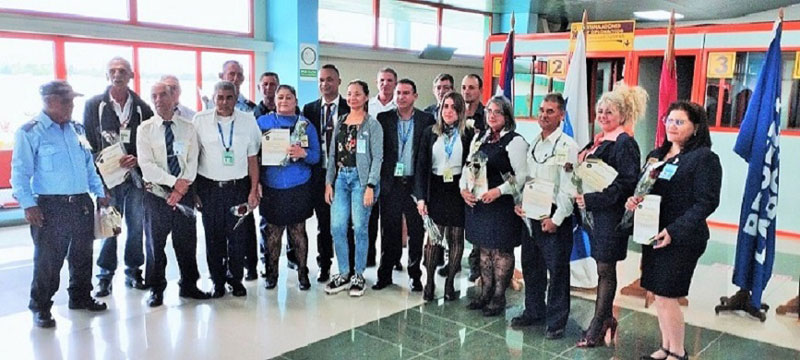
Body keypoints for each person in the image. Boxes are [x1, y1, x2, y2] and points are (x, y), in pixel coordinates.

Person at [11, 80, 109, 328]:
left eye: (72, 101)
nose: (71, 106)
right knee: (48, 261)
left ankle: (80, 297)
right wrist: (28, 204)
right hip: (49, 206)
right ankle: (41, 306)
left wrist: (99, 192)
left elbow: (89, 166)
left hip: (81, 204)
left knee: (83, 255)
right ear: (49, 101)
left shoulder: (77, 129)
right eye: (66, 101)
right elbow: (20, 173)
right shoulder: (30, 132)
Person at [629, 101, 721, 360]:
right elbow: (644, 188)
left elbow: (707, 202)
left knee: (668, 295)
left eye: (679, 122)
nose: (672, 126)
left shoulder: (704, 158)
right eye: (669, 120)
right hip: (653, 233)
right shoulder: (658, 155)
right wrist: (634, 200)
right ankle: (666, 346)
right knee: (658, 294)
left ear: (696, 127)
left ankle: (678, 353)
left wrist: (674, 230)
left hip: (681, 237)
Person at [574, 83, 646, 347]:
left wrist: (591, 199)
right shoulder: (599, 140)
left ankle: (600, 322)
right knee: (602, 267)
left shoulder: (625, 143)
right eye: (600, 111)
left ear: (622, 115)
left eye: (609, 112)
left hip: (610, 217)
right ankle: (604, 319)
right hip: (593, 215)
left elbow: (628, 183)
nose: (603, 116)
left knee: (606, 270)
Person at [83, 56, 154, 297]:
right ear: (106, 75)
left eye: (122, 70)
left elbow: (149, 144)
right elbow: (89, 145)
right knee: (109, 227)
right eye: (112, 70)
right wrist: (102, 172)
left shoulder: (142, 108)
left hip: (134, 180)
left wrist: (137, 158)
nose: (117, 74)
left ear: (131, 75)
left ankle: (133, 270)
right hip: (108, 181)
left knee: (135, 227)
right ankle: (104, 275)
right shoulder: (94, 106)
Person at [510, 93, 578, 340]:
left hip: (553, 215)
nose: (543, 115)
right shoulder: (535, 142)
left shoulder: (567, 145)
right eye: (541, 110)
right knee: (531, 265)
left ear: (561, 115)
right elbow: (528, 178)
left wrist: (557, 219)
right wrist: (521, 204)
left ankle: (557, 321)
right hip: (531, 212)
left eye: (550, 111)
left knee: (557, 271)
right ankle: (534, 311)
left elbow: (569, 188)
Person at [137, 82, 210, 307]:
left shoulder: (188, 127)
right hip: (156, 194)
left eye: (163, 95)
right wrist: (173, 183)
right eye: (154, 96)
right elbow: (146, 166)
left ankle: (189, 285)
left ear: (173, 97)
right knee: (155, 244)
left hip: (184, 192)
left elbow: (192, 160)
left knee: (186, 242)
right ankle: (156, 289)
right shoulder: (145, 129)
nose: (159, 100)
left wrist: (181, 187)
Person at [460, 95, 528, 317]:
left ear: (507, 115)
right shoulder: (480, 137)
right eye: (489, 111)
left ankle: (499, 296)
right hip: (480, 204)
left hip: (502, 205)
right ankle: (485, 292)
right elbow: (468, 166)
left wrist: (499, 191)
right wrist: (463, 189)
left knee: (501, 251)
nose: (492, 115)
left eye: (497, 111)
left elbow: (522, 176)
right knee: (484, 250)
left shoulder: (515, 141)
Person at [194, 81, 261, 298]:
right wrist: (194, 191)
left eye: (229, 97)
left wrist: (253, 189)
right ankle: (217, 281)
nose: (224, 102)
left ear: (236, 97)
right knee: (213, 238)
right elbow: (192, 158)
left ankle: (236, 279)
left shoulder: (248, 121)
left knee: (238, 237)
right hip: (209, 188)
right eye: (220, 97)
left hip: (238, 188)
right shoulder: (200, 121)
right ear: (213, 98)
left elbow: (253, 159)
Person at [373, 79, 435, 292]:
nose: (401, 97)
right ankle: (385, 274)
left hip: (414, 185)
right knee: (388, 231)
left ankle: (415, 275)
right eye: (398, 93)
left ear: (415, 96)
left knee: (416, 233)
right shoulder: (384, 118)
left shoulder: (427, 120)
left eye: (406, 93)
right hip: (391, 184)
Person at [258, 85, 321, 290]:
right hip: (272, 186)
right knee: (273, 232)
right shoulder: (263, 122)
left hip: (298, 186)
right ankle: (272, 273)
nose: (284, 101)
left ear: (296, 100)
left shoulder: (305, 125)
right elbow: (253, 155)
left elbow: (316, 156)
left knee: (298, 231)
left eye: (288, 97)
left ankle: (303, 272)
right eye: (280, 97)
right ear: (274, 100)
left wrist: (303, 154)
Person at [324, 79, 383, 297]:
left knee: (360, 228)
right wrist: (329, 182)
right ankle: (343, 272)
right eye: (349, 94)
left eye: (357, 94)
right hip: (341, 179)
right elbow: (332, 155)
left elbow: (378, 158)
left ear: (366, 97)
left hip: (361, 180)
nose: (352, 98)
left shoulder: (372, 124)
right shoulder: (340, 121)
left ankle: (359, 274)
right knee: (337, 227)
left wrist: (370, 185)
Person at [415, 91, 473, 301]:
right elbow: (421, 166)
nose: (449, 111)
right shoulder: (430, 132)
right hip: (436, 189)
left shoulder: (468, 133)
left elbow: (473, 165)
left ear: (460, 112)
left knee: (456, 240)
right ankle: (429, 282)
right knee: (433, 240)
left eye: (454, 108)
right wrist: (420, 198)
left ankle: (450, 283)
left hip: (458, 190)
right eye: (445, 106)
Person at [302, 64, 353, 282]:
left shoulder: (349, 107)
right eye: (321, 80)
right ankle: (324, 265)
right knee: (323, 224)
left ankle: (348, 267)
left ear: (339, 81)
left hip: (344, 174)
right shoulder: (310, 109)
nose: (325, 84)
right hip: (318, 174)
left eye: (330, 79)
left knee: (344, 223)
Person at [452, 73, 486, 281]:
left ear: (480, 90)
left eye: (472, 87)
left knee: (475, 224)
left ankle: (477, 266)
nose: (467, 91)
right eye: (464, 87)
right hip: (455, 176)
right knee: (455, 224)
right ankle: (452, 262)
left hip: (477, 177)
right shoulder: (456, 114)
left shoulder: (486, 115)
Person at [365, 67, 397, 267]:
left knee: (390, 220)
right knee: (369, 217)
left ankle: (391, 259)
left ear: (395, 83)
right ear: (377, 83)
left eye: (389, 80)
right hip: (370, 168)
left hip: (392, 170)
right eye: (382, 80)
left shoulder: (400, 105)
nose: (385, 84)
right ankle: (369, 257)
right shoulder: (368, 106)